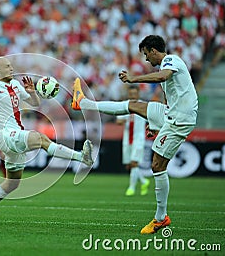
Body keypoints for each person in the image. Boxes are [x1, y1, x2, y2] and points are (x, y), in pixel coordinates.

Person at [72, 35, 198, 234]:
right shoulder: (165, 66)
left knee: (157, 165)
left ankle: (160, 218)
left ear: (154, 50)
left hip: (180, 120)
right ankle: (84, 104)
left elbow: (162, 77)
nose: (146, 59)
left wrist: (134, 79)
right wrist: (155, 123)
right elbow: (169, 94)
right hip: (171, 114)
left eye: (147, 54)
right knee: (133, 106)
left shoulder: (171, 61)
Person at [0, 56, 94, 224]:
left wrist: (32, 92)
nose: (11, 68)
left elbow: (34, 103)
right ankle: (81, 157)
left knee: (12, 183)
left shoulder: (16, 84)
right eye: (7, 66)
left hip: (15, 133)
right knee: (41, 139)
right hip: (5, 134)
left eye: (11, 66)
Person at [116, 85, 150, 196]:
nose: (133, 96)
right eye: (131, 94)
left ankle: (131, 188)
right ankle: (144, 181)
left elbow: (150, 118)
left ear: (138, 94)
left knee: (134, 163)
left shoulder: (143, 105)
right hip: (127, 139)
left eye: (135, 94)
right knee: (129, 165)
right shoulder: (125, 105)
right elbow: (119, 121)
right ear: (128, 94)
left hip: (138, 138)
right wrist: (124, 119)